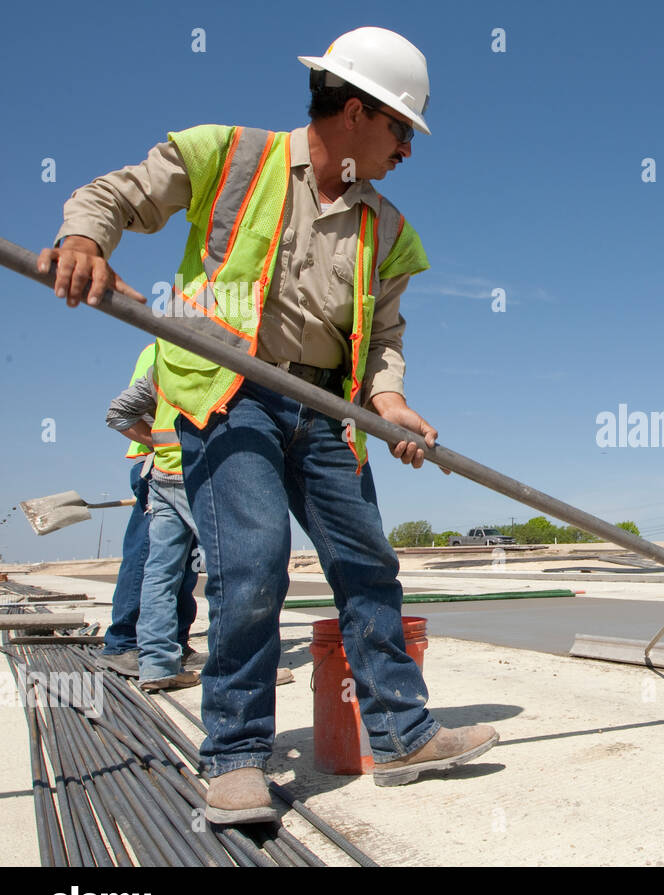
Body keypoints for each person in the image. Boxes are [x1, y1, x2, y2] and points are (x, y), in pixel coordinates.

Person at [40, 26, 497, 824]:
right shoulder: (230, 156)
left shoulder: (387, 229)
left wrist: (387, 403)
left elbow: (383, 338)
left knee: (369, 565)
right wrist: (86, 238)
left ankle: (401, 734)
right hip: (229, 391)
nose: (407, 153)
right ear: (356, 111)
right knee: (254, 564)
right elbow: (112, 196)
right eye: (401, 131)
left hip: (329, 410)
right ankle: (236, 758)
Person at [99, 345, 199, 678]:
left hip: (185, 469)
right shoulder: (161, 351)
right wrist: (159, 444)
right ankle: (125, 643)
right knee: (147, 557)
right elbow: (124, 414)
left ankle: (171, 647)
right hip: (158, 468)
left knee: (180, 565)